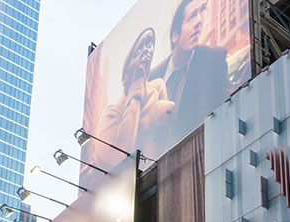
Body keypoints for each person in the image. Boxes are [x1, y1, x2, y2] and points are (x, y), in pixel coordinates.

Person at [92, 28, 175, 169]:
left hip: (160, 170)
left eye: (149, 45)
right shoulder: (109, 115)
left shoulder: (157, 88)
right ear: (126, 71)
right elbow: (119, 155)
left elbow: (168, 120)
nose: (146, 51)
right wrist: (135, 92)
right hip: (127, 179)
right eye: (139, 49)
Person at [150, 0, 232, 142]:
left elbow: (230, 107)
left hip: (201, 149)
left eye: (202, 11)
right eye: (192, 16)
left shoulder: (214, 59)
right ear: (175, 36)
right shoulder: (153, 76)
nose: (199, 21)